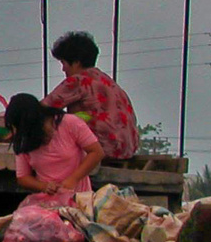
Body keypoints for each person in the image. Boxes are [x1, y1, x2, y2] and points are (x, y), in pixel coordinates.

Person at [41, 31, 139, 160]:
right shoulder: (108, 81)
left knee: (47, 122)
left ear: (76, 62)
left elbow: (42, 108)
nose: (63, 69)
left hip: (102, 148)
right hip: (126, 149)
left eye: (63, 63)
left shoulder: (79, 80)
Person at [5, 93, 105, 207]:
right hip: (47, 203)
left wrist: (73, 179)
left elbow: (96, 152)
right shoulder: (24, 139)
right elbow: (23, 177)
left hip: (79, 200)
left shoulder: (70, 123)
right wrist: (44, 186)